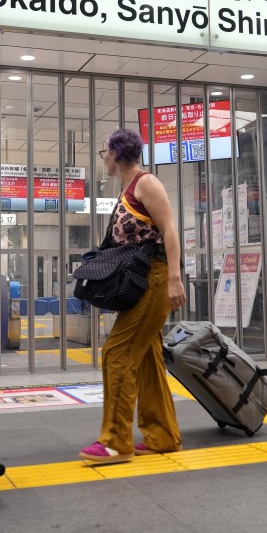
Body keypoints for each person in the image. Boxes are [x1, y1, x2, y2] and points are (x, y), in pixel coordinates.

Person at [79, 128, 186, 464]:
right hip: (144, 279)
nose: (104, 160)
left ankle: (115, 441)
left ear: (116, 153)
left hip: (154, 278)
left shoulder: (146, 183)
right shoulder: (129, 188)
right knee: (148, 357)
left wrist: (174, 277)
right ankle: (163, 435)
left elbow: (169, 230)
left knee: (117, 352)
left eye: (104, 153)